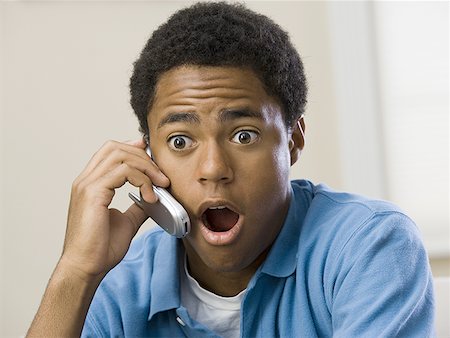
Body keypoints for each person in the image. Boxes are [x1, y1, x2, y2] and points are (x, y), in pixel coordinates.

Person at [27, 2, 435, 337]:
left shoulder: (369, 246)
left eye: (243, 135)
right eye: (180, 141)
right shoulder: (115, 284)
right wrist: (76, 272)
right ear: (147, 158)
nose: (213, 169)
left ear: (293, 140)